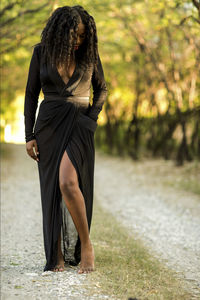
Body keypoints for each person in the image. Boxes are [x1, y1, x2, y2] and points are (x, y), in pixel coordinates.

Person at [24, 5, 107, 274]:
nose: (79, 41)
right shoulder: (41, 51)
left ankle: (86, 246)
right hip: (48, 125)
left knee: (68, 182)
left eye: (83, 36)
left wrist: (90, 120)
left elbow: (102, 88)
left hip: (80, 125)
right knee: (51, 188)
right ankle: (56, 255)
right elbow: (30, 95)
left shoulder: (89, 54)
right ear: (62, 32)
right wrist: (29, 135)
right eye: (75, 36)